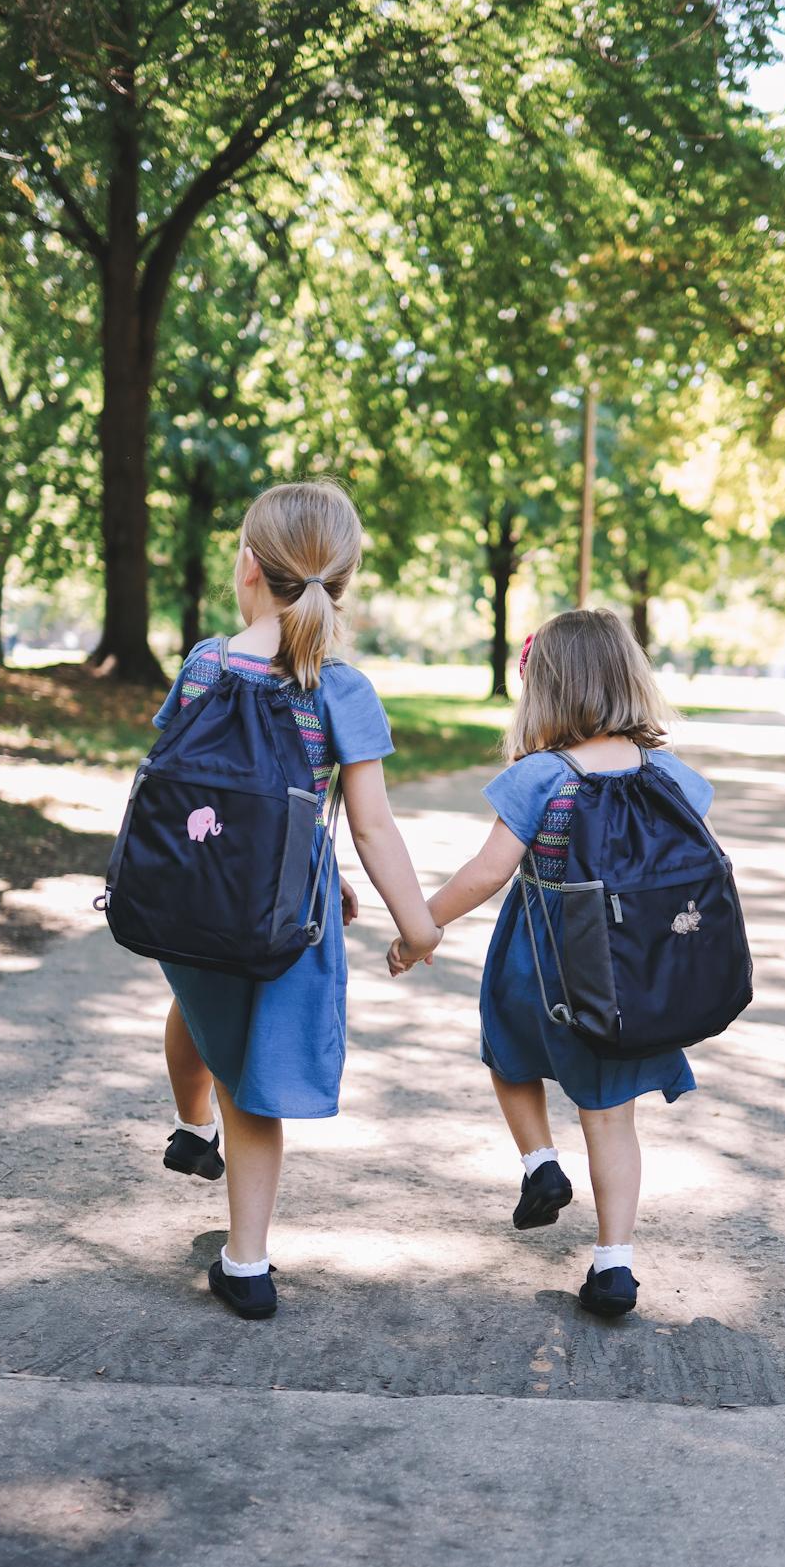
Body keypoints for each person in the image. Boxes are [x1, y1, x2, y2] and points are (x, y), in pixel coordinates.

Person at [153, 480, 441, 1318]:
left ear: (247, 564)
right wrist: (416, 925)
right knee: (256, 1084)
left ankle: (189, 1124)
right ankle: (246, 1264)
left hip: (197, 897)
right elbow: (373, 828)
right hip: (284, 914)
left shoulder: (206, 663)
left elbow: (188, 788)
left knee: (199, 1012)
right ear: (341, 581)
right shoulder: (339, 689)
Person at [390, 608, 714, 1318]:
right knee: (610, 1120)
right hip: (627, 976)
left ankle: (539, 1165)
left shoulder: (540, 775)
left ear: (544, 691)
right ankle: (613, 1265)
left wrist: (422, 927)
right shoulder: (672, 775)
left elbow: (484, 874)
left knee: (507, 1057)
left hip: (536, 966)